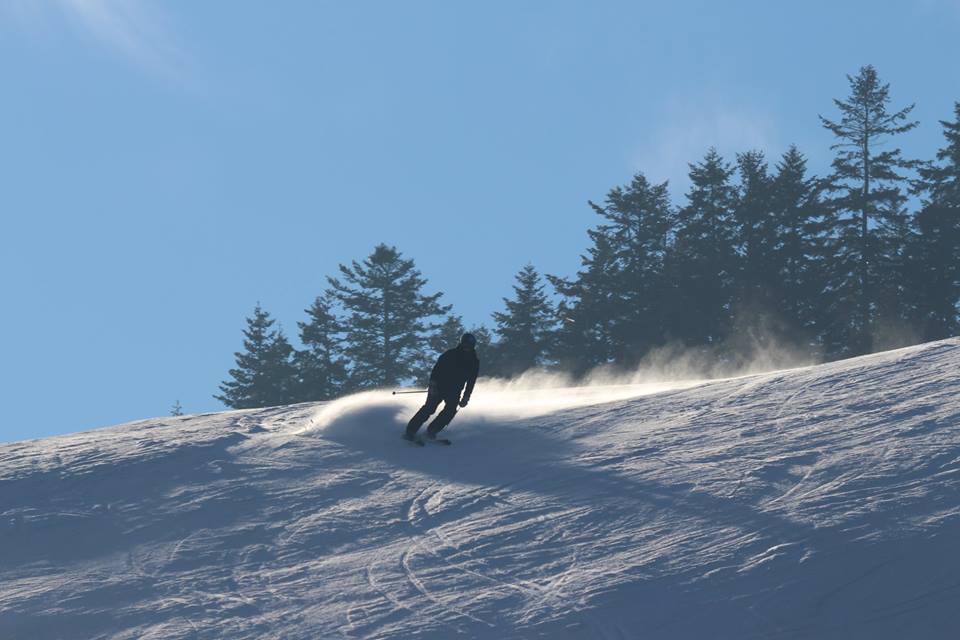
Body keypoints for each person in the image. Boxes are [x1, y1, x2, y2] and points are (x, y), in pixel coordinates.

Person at [404, 333, 480, 442]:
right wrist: (432, 384)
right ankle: (410, 431)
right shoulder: (450, 354)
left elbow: (471, 381)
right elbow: (436, 370)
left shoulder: (474, 361)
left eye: (470, 346)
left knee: (450, 411)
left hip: (455, 391)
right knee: (429, 408)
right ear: (461, 343)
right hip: (439, 386)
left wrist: (466, 396)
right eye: (465, 345)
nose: (467, 348)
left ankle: (432, 430)